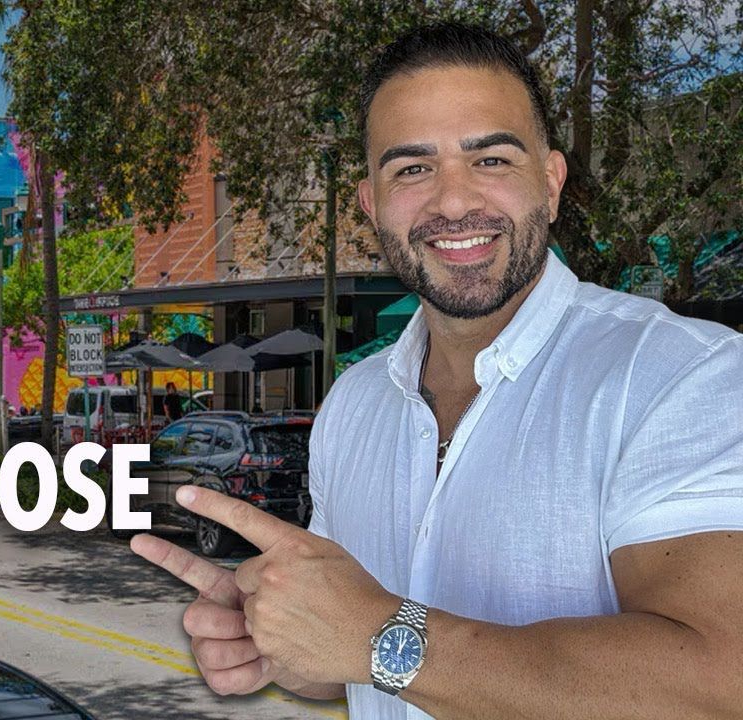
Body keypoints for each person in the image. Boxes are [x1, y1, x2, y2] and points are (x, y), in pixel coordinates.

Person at [132, 23, 743, 719]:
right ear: (370, 203)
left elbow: (717, 687)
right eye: (413, 169)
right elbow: (348, 656)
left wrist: (379, 636)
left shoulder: (681, 375)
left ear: (550, 181)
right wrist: (280, 644)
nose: (453, 202)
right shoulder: (354, 403)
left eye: (491, 160)